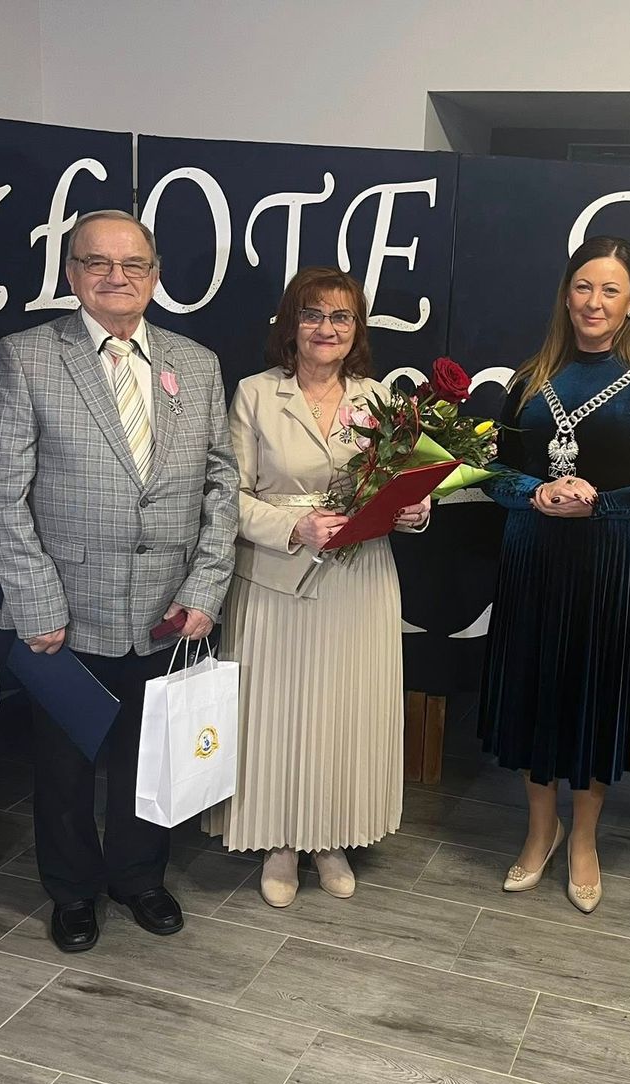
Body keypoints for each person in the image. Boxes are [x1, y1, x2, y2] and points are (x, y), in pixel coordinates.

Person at [0, 209, 238, 953]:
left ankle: (139, 876)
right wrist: (35, 602)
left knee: (147, 757)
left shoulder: (196, 363)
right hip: (66, 613)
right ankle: (72, 890)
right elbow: (2, 492)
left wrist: (205, 588)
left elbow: (222, 485)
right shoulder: (29, 357)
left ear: (155, 275)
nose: (116, 277)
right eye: (98, 263)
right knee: (63, 768)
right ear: (72, 274)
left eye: (133, 264)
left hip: (168, 610)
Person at [479, 235, 630, 913]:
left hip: (614, 563)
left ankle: (584, 840)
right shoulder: (530, 378)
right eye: (583, 287)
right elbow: (493, 472)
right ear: (566, 295)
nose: (594, 302)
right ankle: (540, 830)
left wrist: (603, 505)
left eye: (610, 290)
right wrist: (533, 492)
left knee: (595, 698)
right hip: (534, 556)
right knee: (536, 693)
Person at [204, 268, 429, 907]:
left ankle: (330, 837)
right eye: (312, 314)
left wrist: (415, 512)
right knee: (276, 713)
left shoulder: (380, 399)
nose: (326, 328)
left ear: (357, 329)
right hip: (275, 581)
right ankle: (279, 840)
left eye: (340, 317)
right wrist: (293, 527)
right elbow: (226, 497)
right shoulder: (254, 394)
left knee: (344, 711)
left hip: (359, 581)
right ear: (290, 324)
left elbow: (400, 486)